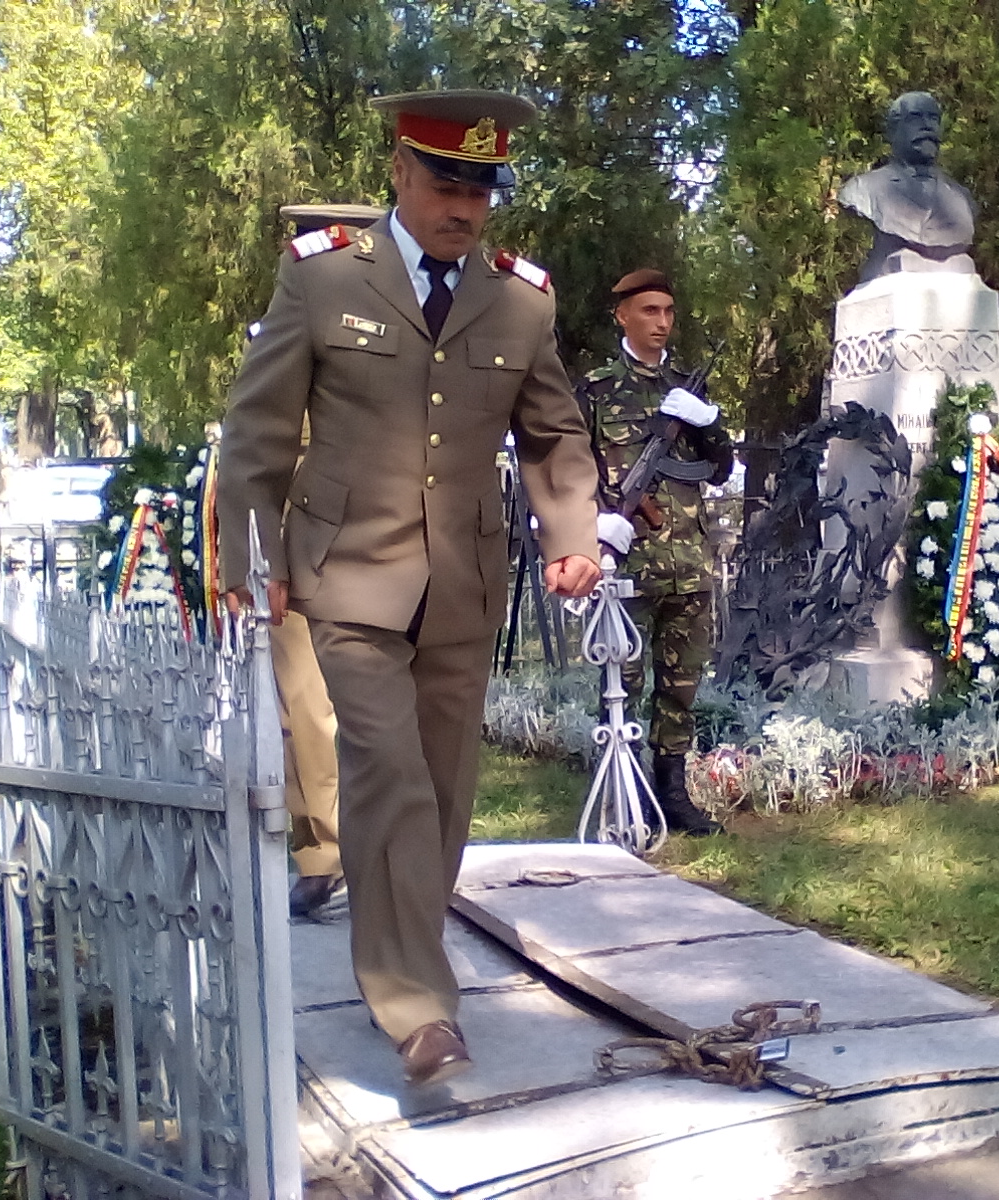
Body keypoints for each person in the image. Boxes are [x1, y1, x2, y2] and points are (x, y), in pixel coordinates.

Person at [218, 90, 602, 1087]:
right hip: (346, 574)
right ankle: (419, 1008)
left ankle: (404, 953)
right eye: (445, 185)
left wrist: (570, 534)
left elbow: (554, 432)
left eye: (481, 190)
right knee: (386, 772)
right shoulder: (322, 278)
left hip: (464, 582)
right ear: (400, 173)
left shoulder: (521, 300)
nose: (464, 207)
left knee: (442, 788)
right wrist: (251, 564)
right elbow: (258, 431)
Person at [576, 269, 733, 836]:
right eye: (649, 311)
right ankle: (625, 792)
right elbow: (570, 465)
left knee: (681, 689)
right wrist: (595, 521)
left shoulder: (686, 389)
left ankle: (673, 795)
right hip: (627, 566)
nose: (661, 322)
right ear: (622, 316)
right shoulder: (597, 389)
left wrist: (709, 423)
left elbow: (720, 470)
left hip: (688, 565)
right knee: (623, 683)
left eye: (668, 311)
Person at [272, 203, 385, 922]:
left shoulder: (403, 333)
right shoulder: (284, 325)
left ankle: (387, 850)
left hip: (383, 536)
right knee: (304, 707)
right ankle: (322, 852)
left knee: (384, 708)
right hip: (301, 535)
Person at [838, 91, 979, 282]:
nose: (927, 125)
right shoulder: (863, 189)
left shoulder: (961, 197)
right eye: (915, 118)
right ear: (892, 131)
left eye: (933, 118)